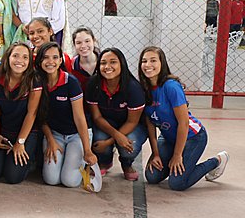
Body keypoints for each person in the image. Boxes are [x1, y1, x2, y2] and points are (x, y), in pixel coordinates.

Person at [139, 46, 229, 190]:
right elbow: (150, 124)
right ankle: (177, 167)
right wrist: (156, 154)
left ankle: (217, 161)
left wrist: (177, 155)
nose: (148, 65)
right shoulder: (143, 89)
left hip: (193, 136)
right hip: (168, 137)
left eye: (153, 60)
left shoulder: (171, 86)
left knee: (177, 183)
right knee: (152, 176)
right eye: (144, 61)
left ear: (162, 63)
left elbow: (184, 123)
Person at [36, 42, 97, 188]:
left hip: (76, 134)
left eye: (55, 57)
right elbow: (40, 116)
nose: (50, 62)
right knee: (51, 179)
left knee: (69, 181)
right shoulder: (37, 81)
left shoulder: (71, 82)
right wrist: (50, 139)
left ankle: (81, 163)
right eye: (45, 57)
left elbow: (79, 117)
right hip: (55, 134)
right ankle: (66, 160)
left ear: (60, 61)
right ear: (39, 61)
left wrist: (87, 150)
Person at [0, 42, 42, 184]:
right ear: (8, 57)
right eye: (15, 56)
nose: (19, 61)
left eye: (25, 57)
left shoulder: (34, 80)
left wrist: (20, 142)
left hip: (25, 132)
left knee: (12, 177)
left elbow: (31, 114)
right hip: (4, 129)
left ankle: (30, 159)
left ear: (29, 61)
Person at [86, 48, 146, 180]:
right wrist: (115, 136)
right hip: (106, 123)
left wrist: (110, 141)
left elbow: (132, 121)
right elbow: (97, 117)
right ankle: (105, 161)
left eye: (113, 62)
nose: (107, 66)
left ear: (122, 64)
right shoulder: (94, 84)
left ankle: (126, 164)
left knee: (129, 144)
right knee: (98, 139)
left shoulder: (133, 87)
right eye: (103, 63)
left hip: (132, 125)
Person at [69, 27, 99, 93]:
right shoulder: (71, 66)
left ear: (94, 41)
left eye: (87, 41)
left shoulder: (104, 62)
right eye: (78, 43)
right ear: (74, 45)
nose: (83, 46)